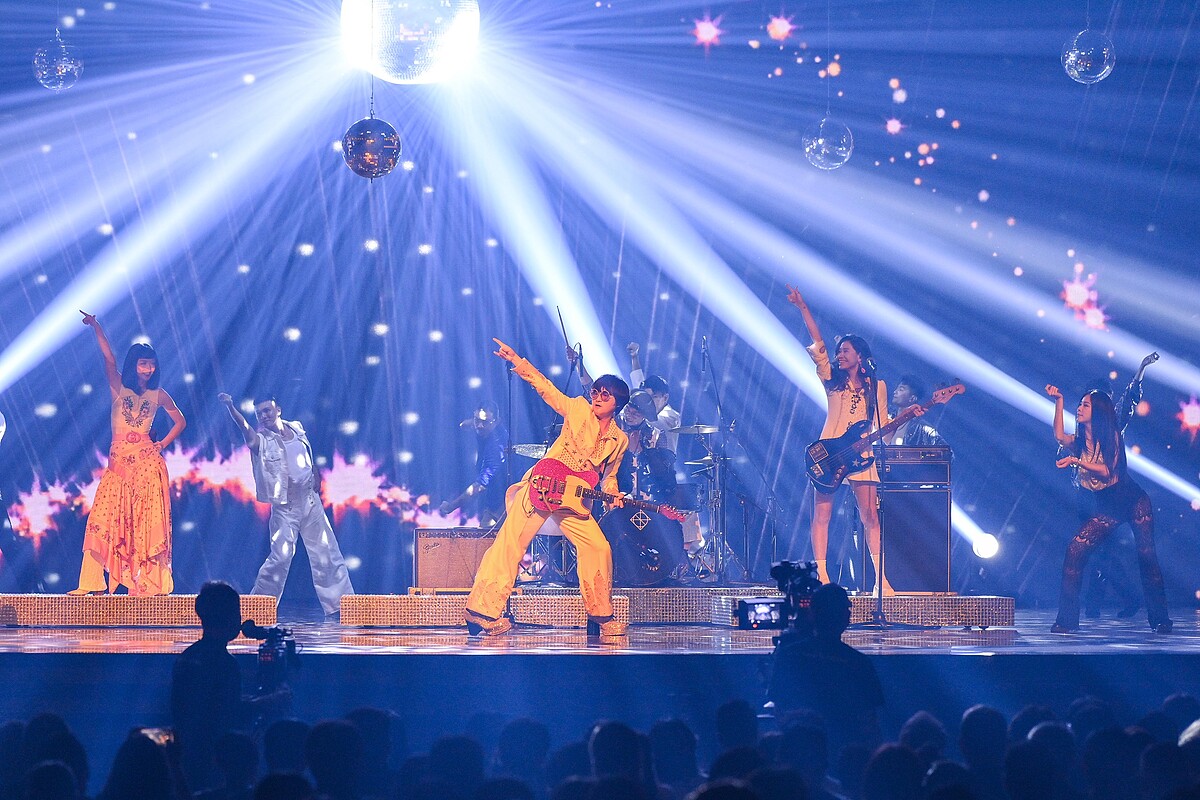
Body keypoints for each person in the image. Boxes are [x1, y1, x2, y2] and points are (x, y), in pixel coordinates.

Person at [464, 338, 629, 637]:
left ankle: (600, 615)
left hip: (574, 499)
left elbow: (609, 476)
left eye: (606, 394)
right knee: (510, 542)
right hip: (542, 487)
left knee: (598, 547)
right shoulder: (577, 408)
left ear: (617, 403)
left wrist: (613, 494)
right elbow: (546, 388)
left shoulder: (620, 440)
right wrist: (517, 361)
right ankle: (480, 613)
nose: (597, 397)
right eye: (595, 391)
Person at [786, 287, 907, 592]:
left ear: (861, 356)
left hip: (862, 455)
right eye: (839, 351)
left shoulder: (877, 386)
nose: (839, 355)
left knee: (870, 516)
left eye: (846, 351)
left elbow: (883, 427)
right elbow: (818, 344)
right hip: (828, 452)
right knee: (822, 514)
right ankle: (822, 576)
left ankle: (881, 581)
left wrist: (905, 417)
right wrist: (803, 307)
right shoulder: (831, 379)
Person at [70, 312, 185, 596]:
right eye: (143, 363)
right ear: (133, 364)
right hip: (118, 464)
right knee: (101, 520)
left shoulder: (159, 395)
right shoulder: (119, 387)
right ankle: (92, 583)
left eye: (152, 364)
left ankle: (147, 584)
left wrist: (161, 444)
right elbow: (109, 358)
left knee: (144, 525)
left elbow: (181, 421)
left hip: (147, 465)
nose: (148, 369)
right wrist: (97, 326)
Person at [1045, 383, 1171, 633]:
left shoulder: (1111, 435)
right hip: (1109, 508)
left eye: (1085, 405)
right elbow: (1059, 436)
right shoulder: (1079, 442)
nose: (1079, 408)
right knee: (1075, 550)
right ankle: (1067, 621)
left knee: (1147, 558)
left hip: (1133, 501)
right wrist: (1059, 400)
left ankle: (1160, 620)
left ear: (1098, 412)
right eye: (1079, 404)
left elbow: (1107, 471)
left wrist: (1076, 461)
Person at [217, 393, 354, 617]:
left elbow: (305, 455)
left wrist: (315, 472)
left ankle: (341, 606)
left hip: (310, 501)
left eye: (267, 410)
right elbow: (245, 428)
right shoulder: (261, 441)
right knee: (280, 557)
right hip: (285, 507)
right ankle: (259, 606)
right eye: (259, 413)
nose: (263, 416)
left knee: (327, 552)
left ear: (277, 410)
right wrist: (231, 407)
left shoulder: (297, 429)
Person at [768, 583, 885, 753]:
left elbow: (778, 707)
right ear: (845, 617)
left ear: (812, 613)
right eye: (846, 609)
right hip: (843, 751)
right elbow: (870, 722)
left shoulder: (789, 654)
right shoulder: (858, 662)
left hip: (798, 750)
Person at [171, 581, 244, 791]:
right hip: (211, 758)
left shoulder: (190, 656)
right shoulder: (223, 662)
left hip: (191, 753)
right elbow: (226, 710)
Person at [440, 402, 508, 526]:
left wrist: (451, 506)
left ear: (496, 421)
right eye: (477, 420)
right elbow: (480, 421)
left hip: (504, 501)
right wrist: (470, 422)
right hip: (494, 498)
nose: (480, 426)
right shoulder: (489, 425)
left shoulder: (496, 448)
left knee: (486, 534)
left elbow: (479, 486)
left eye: (485, 422)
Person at [890, 376, 948, 448]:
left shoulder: (924, 429)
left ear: (912, 398)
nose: (895, 391)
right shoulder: (886, 417)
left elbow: (947, 451)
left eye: (901, 389)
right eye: (897, 388)